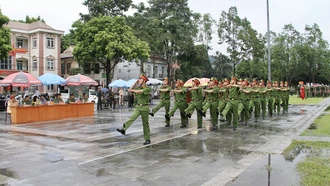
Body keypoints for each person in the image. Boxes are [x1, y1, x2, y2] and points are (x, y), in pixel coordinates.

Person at [117, 74, 152, 145]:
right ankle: (124, 129)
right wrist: (134, 84)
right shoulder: (137, 88)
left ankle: (147, 139)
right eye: (139, 79)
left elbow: (140, 92)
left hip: (145, 107)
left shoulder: (148, 88)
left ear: (144, 81)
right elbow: (129, 90)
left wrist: (134, 90)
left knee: (145, 124)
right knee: (132, 118)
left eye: (141, 79)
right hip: (138, 107)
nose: (139, 80)